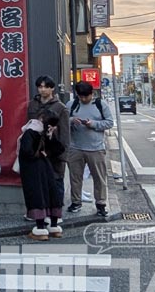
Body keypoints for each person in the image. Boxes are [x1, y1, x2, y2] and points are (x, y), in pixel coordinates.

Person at [66, 81, 114, 218]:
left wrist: (92, 124)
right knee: (75, 177)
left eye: (86, 96)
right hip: (75, 147)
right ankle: (76, 202)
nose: (83, 99)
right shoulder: (72, 105)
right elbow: (62, 120)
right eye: (81, 96)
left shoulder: (100, 105)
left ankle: (100, 204)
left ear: (91, 94)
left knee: (99, 178)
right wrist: (71, 120)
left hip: (96, 148)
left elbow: (109, 122)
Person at [17, 111, 66, 240]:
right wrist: (46, 152)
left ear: (40, 118)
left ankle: (40, 230)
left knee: (36, 195)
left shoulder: (30, 132)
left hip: (32, 168)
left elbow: (26, 151)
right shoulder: (46, 133)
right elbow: (60, 148)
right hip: (46, 167)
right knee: (50, 193)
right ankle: (54, 227)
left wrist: (38, 154)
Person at [25, 75, 70, 212]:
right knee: (38, 182)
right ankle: (40, 213)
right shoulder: (32, 104)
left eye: (46, 87)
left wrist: (62, 155)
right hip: (36, 149)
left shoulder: (60, 107)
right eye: (40, 87)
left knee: (56, 181)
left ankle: (56, 214)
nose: (42, 90)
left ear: (52, 88)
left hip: (53, 150)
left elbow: (65, 133)